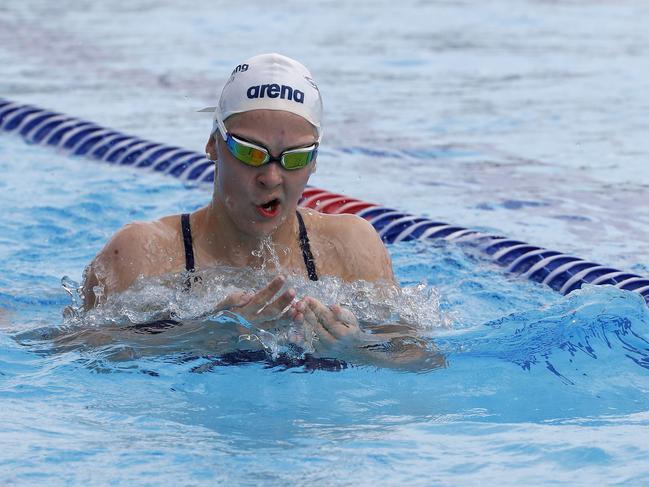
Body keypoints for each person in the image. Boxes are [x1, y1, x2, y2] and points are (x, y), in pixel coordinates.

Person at [82, 53, 440, 369]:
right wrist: (201, 333)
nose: (271, 177)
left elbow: (423, 360)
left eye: (295, 158)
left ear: (314, 162)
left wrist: (359, 348)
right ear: (212, 144)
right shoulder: (141, 253)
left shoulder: (350, 249)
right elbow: (71, 351)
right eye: (251, 152)